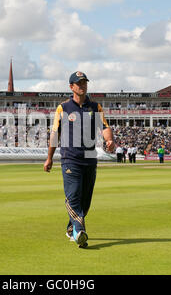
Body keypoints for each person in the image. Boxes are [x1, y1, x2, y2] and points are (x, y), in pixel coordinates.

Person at [43, 71, 115, 249]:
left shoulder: (95, 107)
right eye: (79, 83)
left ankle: (71, 229)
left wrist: (109, 140)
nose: (82, 86)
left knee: (85, 201)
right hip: (70, 159)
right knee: (73, 195)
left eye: (84, 83)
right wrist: (49, 158)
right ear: (71, 87)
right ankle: (79, 231)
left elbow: (105, 127)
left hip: (90, 159)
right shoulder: (63, 108)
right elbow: (55, 133)